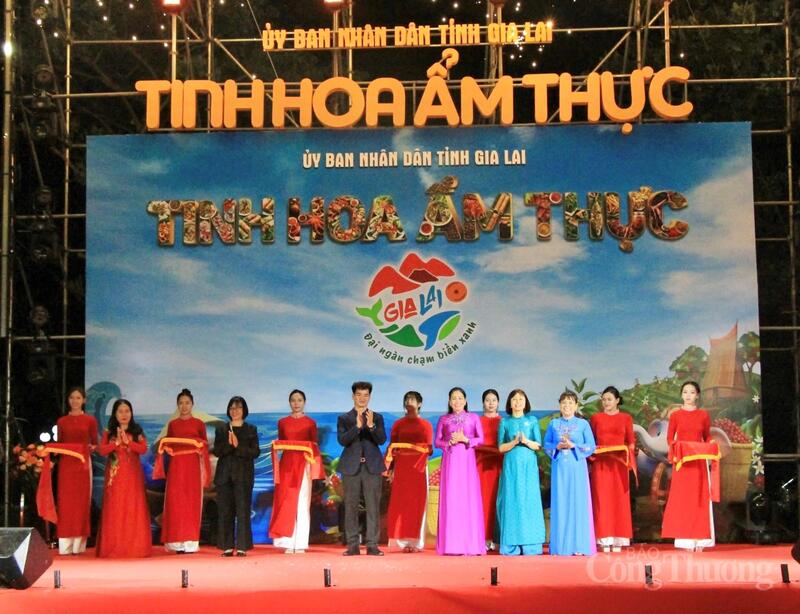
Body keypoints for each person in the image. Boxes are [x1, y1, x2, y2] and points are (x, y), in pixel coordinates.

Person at [661, 381, 718, 552]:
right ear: (681, 395)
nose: (688, 395)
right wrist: (679, 447)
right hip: (683, 463)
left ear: (697, 395)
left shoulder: (703, 415)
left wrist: (712, 444)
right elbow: (670, 439)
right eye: (685, 392)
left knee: (699, 499)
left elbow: (707, 437)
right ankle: (685, 541)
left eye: (692, 392)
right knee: (683, 500)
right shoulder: (676, 416)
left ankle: (700, 539)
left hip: (698, 463)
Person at [96, 399, 151, 558]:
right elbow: (102, 450)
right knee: (115, 508)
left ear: (131, 413)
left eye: (127, 411)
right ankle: (114, 547)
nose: (124, 414)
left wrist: (129, 443)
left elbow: (143, 449)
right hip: (115, 477)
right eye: (120, 411)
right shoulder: (108, 432)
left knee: (133, 508)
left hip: (133, 476)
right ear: (115, 414)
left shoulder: (137, 431)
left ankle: (135, 548)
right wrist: (116, 443)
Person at [544, 390, 596, 556]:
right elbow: (547, 445)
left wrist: (574, 446)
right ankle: (561, 547)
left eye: (570, 402)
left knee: (578, 503)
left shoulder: (583, 424)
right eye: (564, 402)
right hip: (559, 468)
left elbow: (591, 446)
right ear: (560, 405)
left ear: (576, 405)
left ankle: (579, 545)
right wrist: (557, 447)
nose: (567, 405)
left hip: (577, 467)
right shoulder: (553, 424)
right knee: (560, 503)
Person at [337, 381, 387, 556]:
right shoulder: (344, 418)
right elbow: (342, 440)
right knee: (350, 506)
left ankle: (372, 545)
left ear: (370, 397)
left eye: (366, 395)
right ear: (353, 396)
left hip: (372, 467)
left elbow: (381, 440)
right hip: (351, 467)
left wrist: (371, 426)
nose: (362, 398)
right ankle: (352, 545)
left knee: (373, 507)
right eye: (359, 394)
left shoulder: (377, 417)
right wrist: (357, 427)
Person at [434, 387, 485, 555]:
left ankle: (471, 544)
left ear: (465, 400)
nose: (457, 401)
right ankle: (451, 545)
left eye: (460, 398)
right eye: (454, 398)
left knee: (468, 497)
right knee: (452, 497)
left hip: (467, 460)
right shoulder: (444, 419)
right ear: (449, 402)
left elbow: (481, 439)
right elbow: (437, 441)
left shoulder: (473, 417)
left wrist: (465, 439)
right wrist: (448, 442)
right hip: (450, 460)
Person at [269, 389, 320, 554]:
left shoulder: (310, 423)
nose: (296, 403)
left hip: (304, 464)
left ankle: (300, 543)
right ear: (289, 402)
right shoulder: (282, 422)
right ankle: (286, 541)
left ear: (304, 402)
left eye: (299, 400)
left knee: (302, 501)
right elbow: (282, 443)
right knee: (286, 500)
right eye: (293, 400)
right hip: (287, 465)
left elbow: (314, 446)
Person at [159, 388, 209, 554]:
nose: (184, 406)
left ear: (192, 404)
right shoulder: (173, 424)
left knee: (191, 501)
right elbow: (169, 443)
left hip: (192, 466)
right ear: (177, 405)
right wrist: (166, 447)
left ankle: (190, 542)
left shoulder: (199, 424)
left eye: (187, 403)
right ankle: (176, 542)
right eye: (181, 403)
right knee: (175, 502)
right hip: (176, 466)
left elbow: (205, 444)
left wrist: (198, 444)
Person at [496, 389, 545, 555]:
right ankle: (511, 545)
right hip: (511, 464)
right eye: (514, 399)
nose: (517, 402)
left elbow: (538, 445)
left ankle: (531, 544)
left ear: (526, 402)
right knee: (512, 499)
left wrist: (525, 441)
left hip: (528, 464)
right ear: (510, 403)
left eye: (521, 399)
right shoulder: (505, 421)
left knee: (529, 499)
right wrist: (514, 442)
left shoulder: (532, 421)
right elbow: (501, 447)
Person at [385, 391, 433, 552]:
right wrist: (390, 469)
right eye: (406, 399)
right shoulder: (398, 424)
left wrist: (416, 450)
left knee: (418, 502)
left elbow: (429, 448)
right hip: (402, 467)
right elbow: (392, 447)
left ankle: (416, 542)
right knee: (401, 503)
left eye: (412, 399)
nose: (409, 402)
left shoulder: (426, 425)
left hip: (419, 468)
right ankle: (401, 542)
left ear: (419, 404)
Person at [589, 386, 635, 552]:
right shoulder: (596, 418)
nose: (606, 402)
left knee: (619, 501)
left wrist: (627, 454)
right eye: (603, 400)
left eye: (609, 399)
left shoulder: (626, 418)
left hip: (619, 465)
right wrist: (594, 454)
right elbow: (591, 442)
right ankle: (604, 539)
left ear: (617, 400)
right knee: (602, 501)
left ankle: (619, 539)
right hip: (601, 465)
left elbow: (631, 442)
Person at [213, 396, 260, 557]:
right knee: (225, 511)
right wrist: (229, 444)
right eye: (232, 408)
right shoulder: (222, 429)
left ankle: (242, 546)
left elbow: (255, 452)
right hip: (224, 476)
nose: (235, 411)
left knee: (243, 511)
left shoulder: (251, 429)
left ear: (244, 410)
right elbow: (217, 451)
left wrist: (238, 446)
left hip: (243, 476)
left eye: (238, 408)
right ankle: (226, 546)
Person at [55, 386, 98, 555]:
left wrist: (92, 448)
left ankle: (79, 545)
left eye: (78, 398)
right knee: (66, 503)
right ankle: (65, 546)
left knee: (81, 503)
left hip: (83, 465)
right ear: (68, 400)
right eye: (72, 397)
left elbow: (95, 443)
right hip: (66, 466)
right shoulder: (61, 421)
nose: (75, 401)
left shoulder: (90, 420)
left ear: (84, 400)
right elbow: (59, 444)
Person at [476, 388, 503, 551]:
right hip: (481, 465)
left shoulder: (504, 421)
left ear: (498, 402)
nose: (491, 403)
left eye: (494, 400)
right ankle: (482, 538)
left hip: (498, 465)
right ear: (483, 403)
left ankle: (497, 538)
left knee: (497, 500)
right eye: (488, 400)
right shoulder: (477, 421)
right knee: (482, 500)